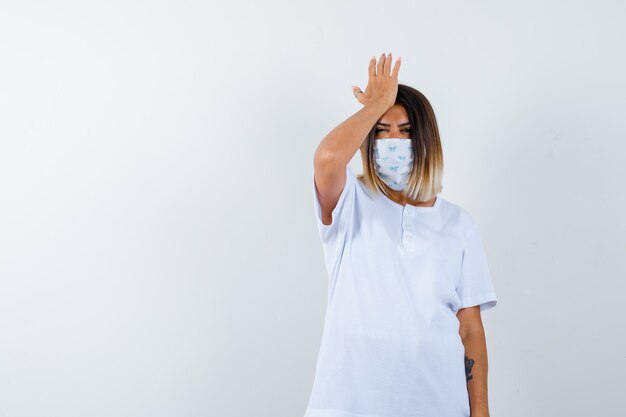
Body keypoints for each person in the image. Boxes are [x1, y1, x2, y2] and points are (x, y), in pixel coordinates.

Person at [305, 53, 498, 417]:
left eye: (406, 131)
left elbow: (470, 329)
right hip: (348, 404)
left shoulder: (459, 225)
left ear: (425, 140)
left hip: (437, 403)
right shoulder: (351, 204)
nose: (393, 141)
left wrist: (481, 412)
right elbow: (328, 159)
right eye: (382, 130)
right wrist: (376, 102)